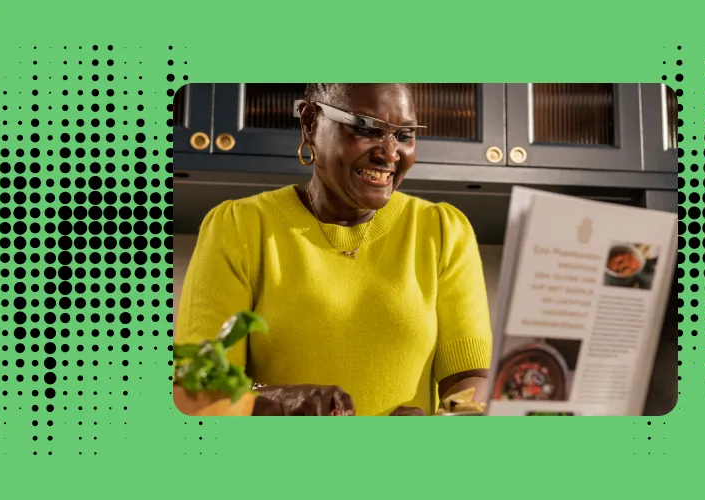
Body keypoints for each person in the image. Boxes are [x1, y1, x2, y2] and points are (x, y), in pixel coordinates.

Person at [175, 83, 493, 416]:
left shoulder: (441, 231)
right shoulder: (240, 227)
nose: (388, 153)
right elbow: (195, 387)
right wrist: (278, 403)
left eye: (404, 135)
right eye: (365, 128)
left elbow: (471, 374)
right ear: (310, 123)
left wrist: (448, 420)